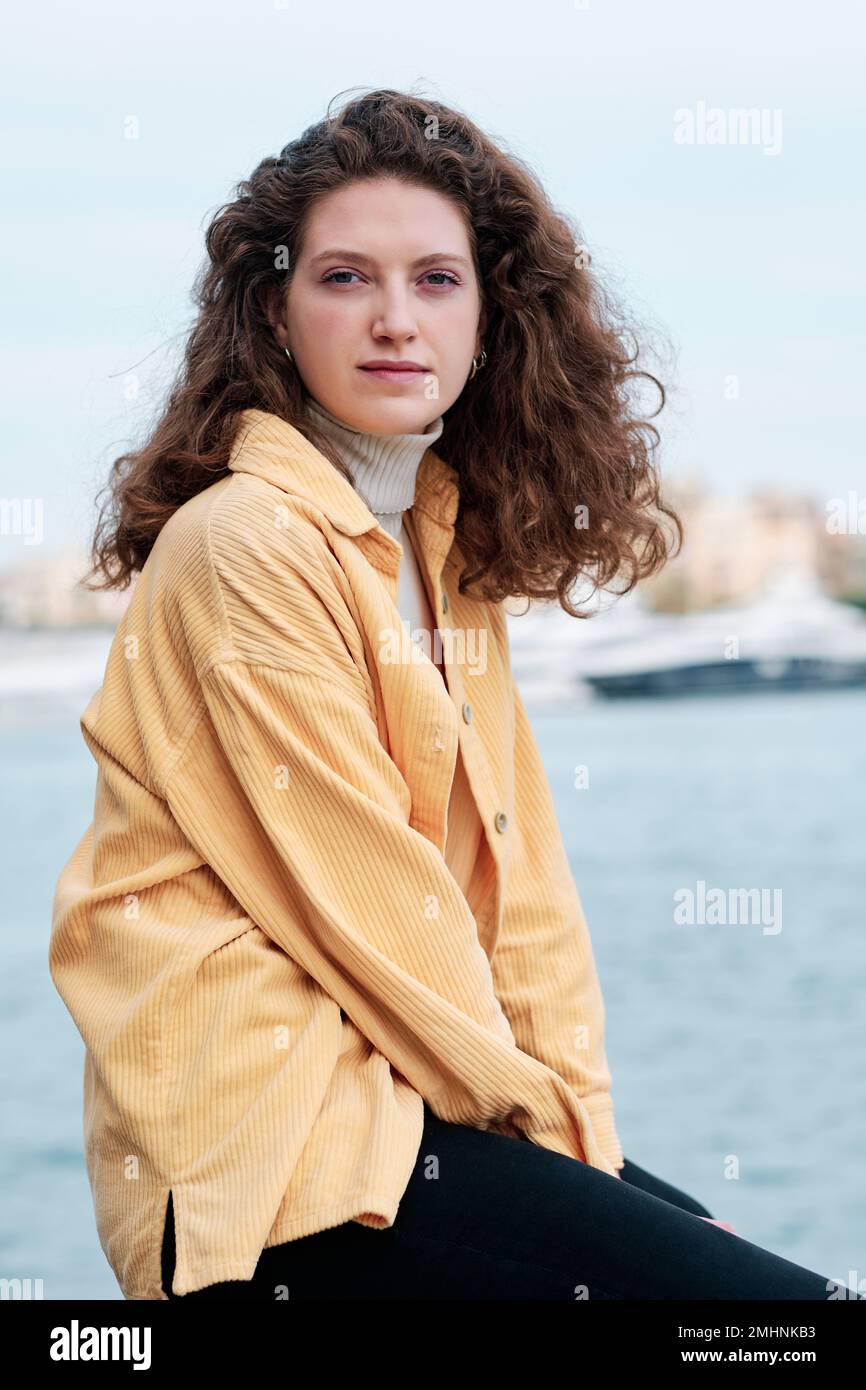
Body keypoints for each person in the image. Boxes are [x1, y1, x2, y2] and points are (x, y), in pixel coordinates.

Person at [49, 87, 840, 1301]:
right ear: (276, 309)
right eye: (343, 278)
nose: (391, 322)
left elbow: (519, 916)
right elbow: (393, 925)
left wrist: (599, 1153)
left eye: (433, 280)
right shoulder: (248, 542)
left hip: (414, 1108)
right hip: (274, 1160)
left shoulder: (442, 550)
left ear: (489, 315)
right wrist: (595, 1185)